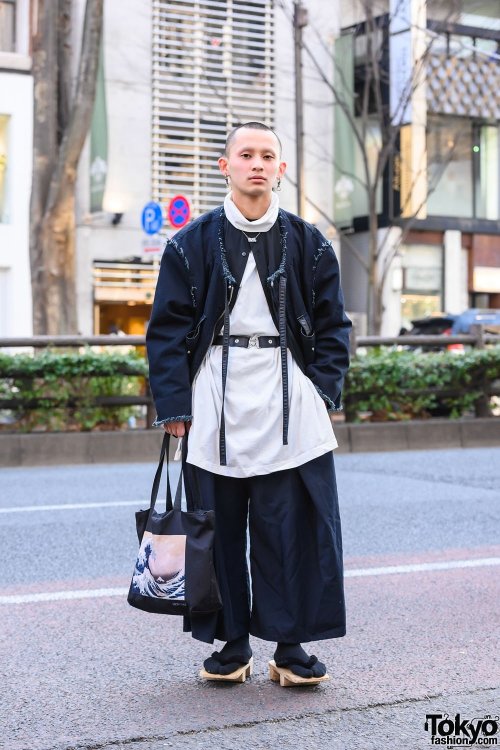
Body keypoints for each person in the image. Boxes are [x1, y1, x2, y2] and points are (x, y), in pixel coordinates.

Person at [146, 122, 351, 685]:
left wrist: (323, 389)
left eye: (268, 156)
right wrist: (175, 405)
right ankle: (232, 645)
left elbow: (334, 326)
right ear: (226, 165)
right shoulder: (189, 242)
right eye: (246, 154)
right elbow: (165, 332)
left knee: (293, 529)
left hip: (290, 397)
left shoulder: (310, 241)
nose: (257, 163)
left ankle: (290, 648)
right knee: (217, 524)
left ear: (281, 168)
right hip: (214, 397)